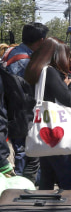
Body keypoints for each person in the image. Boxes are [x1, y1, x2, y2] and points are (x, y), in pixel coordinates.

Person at [24, 38, 71, 190]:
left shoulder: (36, 70)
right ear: (58, 55)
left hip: (44, 128)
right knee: (66, 178)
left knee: (47, 177)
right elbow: (68, 100)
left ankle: (44, 209)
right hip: (56, 132)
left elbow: (52, 98)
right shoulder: (50, 72)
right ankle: (68, 211)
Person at [5, 22, 48, 181]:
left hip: (11, 109)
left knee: (21, 149)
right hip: (21, 111)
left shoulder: (12, 52)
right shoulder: (25, 60)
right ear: (42, 40)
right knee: (23, 150)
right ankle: (22, 186)